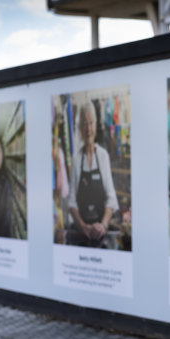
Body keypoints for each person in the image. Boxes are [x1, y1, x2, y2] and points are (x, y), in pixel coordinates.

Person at [68, 101, 119, 246]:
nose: (88, 128)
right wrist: (83, 226)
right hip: (81, 232)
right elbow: (71, 202)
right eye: (84, 124)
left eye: (91, 123)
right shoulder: (76, 159)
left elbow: (111, 197)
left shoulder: (103, 156)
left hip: (101, 233)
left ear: (96, 126)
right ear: (80, 128)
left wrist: (103, 225)